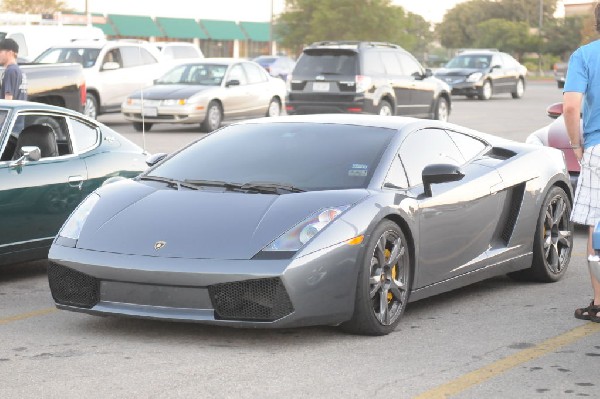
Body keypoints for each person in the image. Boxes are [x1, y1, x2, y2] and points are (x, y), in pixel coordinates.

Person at [564, 3, 600, 323]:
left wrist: (576, 145)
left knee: (597, 222)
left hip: (599, 149)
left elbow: (571, 107)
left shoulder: (585, 56)